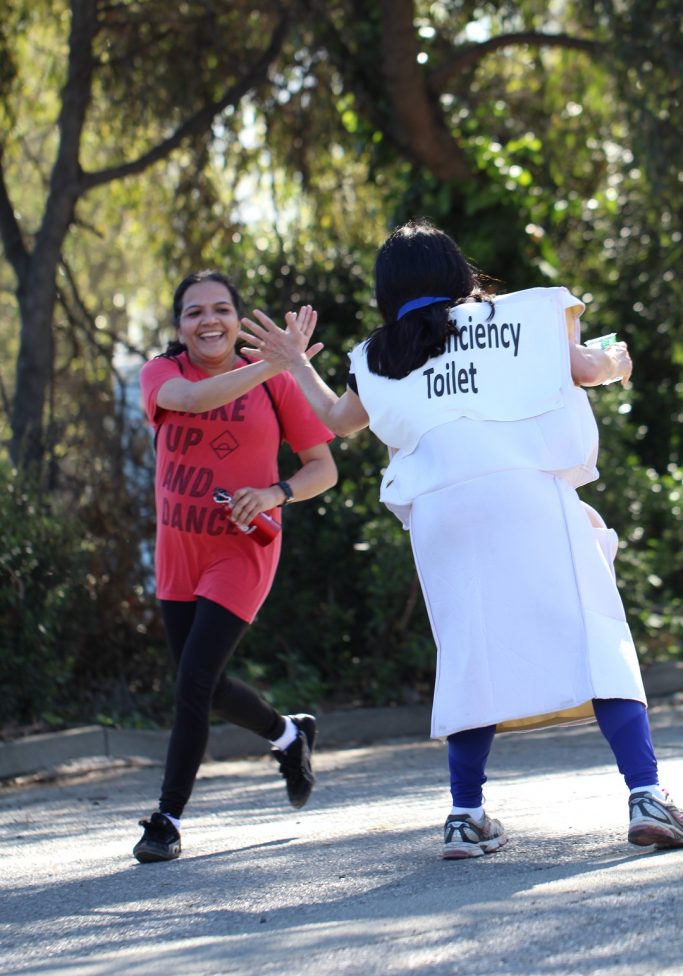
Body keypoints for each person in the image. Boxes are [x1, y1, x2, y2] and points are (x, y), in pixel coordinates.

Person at [240, 220, 683, 859]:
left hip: (439, 513)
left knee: (469, 656)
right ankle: (645, 795)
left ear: (388, 290)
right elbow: (588, 368)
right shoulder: (519, 316)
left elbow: (337, 421)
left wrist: (296, 362)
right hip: (524, 490)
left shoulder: (379, 354)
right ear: (455, 270)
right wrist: (617, 361)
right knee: (595, 635)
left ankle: (465, 816)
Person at [133, 269, 337, 863]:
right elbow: (194, 400)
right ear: (180, 327)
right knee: (207, 685)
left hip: (241, 549)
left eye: (221, 309)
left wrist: (275, 493)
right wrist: (275, 363)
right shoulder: (162, 373)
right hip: (178, 550)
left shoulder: (275, 384)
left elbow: (323, 469)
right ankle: (289, 734)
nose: (209, 320)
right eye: (194, 312)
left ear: (237, 318)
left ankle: (167, 820)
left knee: (194, 683)